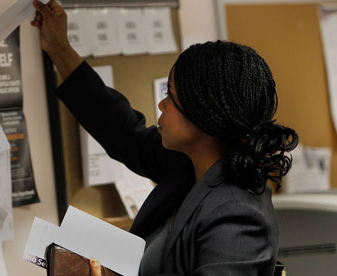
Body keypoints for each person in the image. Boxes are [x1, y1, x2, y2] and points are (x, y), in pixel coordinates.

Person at [31, 1, 298, 275]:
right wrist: (59, 48)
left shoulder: (238, 216)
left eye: (171, 96)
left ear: (204, 115)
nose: (162, 104)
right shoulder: (189, 167)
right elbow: (122, 131)